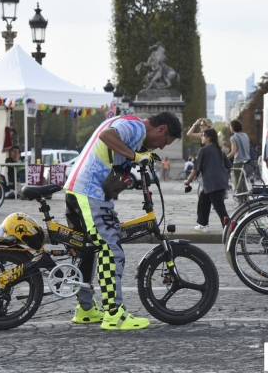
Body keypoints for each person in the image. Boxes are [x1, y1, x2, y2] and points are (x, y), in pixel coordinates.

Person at [63, 111, 181, 330]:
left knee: (87, 250)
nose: (163, 148)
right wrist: (135, 157)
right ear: (161, 129)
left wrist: (141, 154)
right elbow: (107, 136)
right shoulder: (135, 127)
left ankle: (86, 309)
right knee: (111, 250)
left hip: (77, 189)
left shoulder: (127, 123)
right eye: (166, 142)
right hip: (90, 192)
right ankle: (114, 315)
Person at [184, 128, 232, 232]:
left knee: (220, 209)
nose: (201, 137)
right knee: (203, 200)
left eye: (203, 136)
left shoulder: (203, 150)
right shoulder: (219, 150)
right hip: (219, 182)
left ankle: (230, 229)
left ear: (209, 138)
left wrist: (188, 181)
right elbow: (229, 166)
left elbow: (196, 169)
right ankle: (203, 224)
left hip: (211, 183)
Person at [227, 119, 251, 194]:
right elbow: (248, 148)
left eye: (230, 126)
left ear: (233, 127)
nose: (230, 127)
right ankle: (246, 198)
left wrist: (225, 158)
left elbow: (233, 152)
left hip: (238, 161)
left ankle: (241, 200)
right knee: (244, 181)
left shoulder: (233, 138)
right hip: (247, 161)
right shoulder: (246, 135)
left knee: (238, 182)